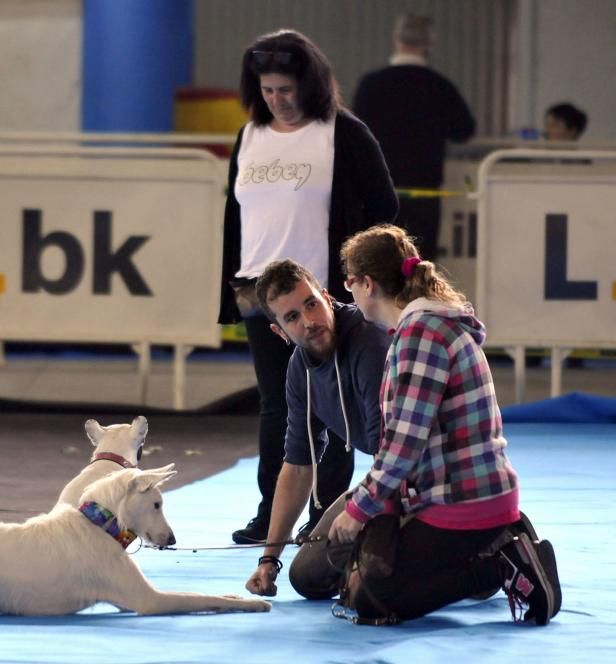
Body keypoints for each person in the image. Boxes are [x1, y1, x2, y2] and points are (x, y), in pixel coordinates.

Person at [321, 224, 561, 625]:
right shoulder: (424, 326)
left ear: (365, 284)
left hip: (463, 501)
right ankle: (494, 547)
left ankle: (502, 564)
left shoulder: (421, 334)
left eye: (349, 284)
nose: (350, 293)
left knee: (379, 598)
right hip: (455, 495)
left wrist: (359, 509)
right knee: (363, 582)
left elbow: (403, 445)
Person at [218, 29, 398, 545]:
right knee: (277, 404)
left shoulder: (343, 132)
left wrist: (351, 268)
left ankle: (325, 514)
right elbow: (236, 214)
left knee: (334, 404)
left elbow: (385, 206)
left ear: (311, 84)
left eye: (286, 89)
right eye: (268, 89)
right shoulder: (248, 135)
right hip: (259, 293)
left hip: (323, 294)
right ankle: (268, 513)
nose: (277, 99)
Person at [241, 259, 389, 600]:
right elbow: (297, 466)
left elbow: (394, 457)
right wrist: (269, 560)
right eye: (292, 317)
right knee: (307, 577)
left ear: (326, 297)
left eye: (312, 304)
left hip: (431, 475)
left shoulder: (371, 343)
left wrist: (358, 512)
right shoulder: (298, 371)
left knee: (380, 580)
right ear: (280, 332)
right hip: (391, 479)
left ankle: (489, 550)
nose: (309, 322)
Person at [352, 14, 475, 263]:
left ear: (396, 39)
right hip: (424, 192)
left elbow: (355, 135)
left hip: (378, 191)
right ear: (429, 45)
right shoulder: (440, 87)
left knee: (378, 263)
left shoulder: (370, 86)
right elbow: (464, 130)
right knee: (418, 263)